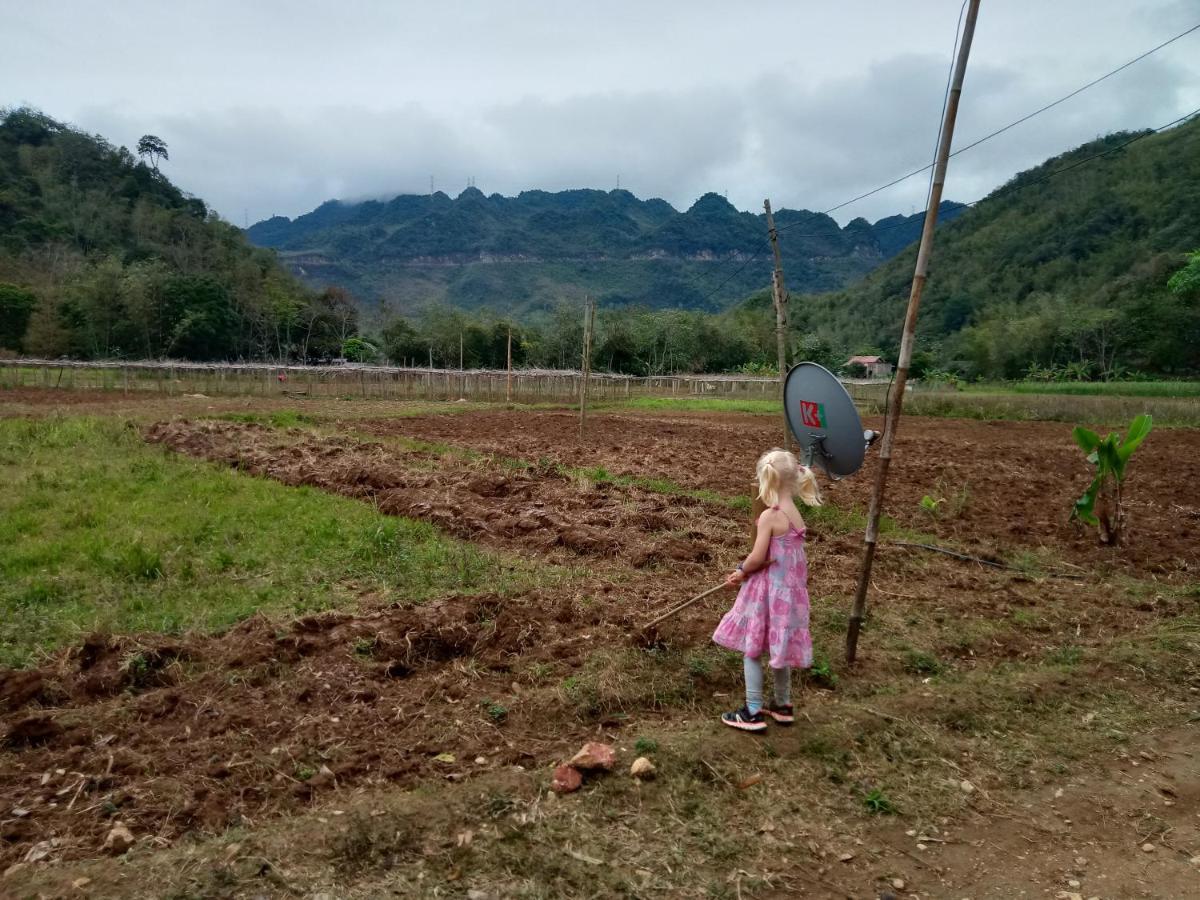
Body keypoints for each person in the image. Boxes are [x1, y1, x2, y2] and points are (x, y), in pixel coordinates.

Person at [712, 448, 820, 732]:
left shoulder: (770, 517)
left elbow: (758, 557)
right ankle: (782, 705)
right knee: (778, 648)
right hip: (790, 597)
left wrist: (740, 570)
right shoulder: (796, 515)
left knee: (752, 649)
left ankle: (752, 710)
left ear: (766, 482)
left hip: (767, 594)